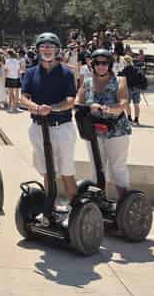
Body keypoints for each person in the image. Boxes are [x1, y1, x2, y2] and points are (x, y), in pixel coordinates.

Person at [20, 33, 79, 202]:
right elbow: (23, 97)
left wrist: (51, 108)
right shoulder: (31, 73)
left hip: (62, 128)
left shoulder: (66, 73)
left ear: (57, 49)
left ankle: (76, 212)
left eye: (51, 46)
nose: (47, 49)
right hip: (38, 126)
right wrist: (36, 108)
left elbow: (70, 100)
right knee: (47, 171)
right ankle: (49, 209)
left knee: (67, 171)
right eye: (43, 46)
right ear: (38, 49)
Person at [76, 49, 133, 199]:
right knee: (97, 168)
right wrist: (90, 107)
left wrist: (106, 109)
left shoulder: (120, 80)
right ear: (92, 65)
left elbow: (123, 103)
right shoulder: (87, 82)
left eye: (105, 63)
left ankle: (125, 204)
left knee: (117, 168)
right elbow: (77, 102)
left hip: (116, 131)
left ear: (110, 65)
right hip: (93, 132)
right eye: (97, 63)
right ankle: (100, 202)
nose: (101, 66)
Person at [119, 55, 143, 124]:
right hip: (137, 88)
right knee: (136, 104)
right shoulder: (136, 68)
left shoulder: (124, 70)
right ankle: (136, 119)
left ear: (125, 62)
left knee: (127, 104)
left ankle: (129, 118)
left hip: (128, 88)